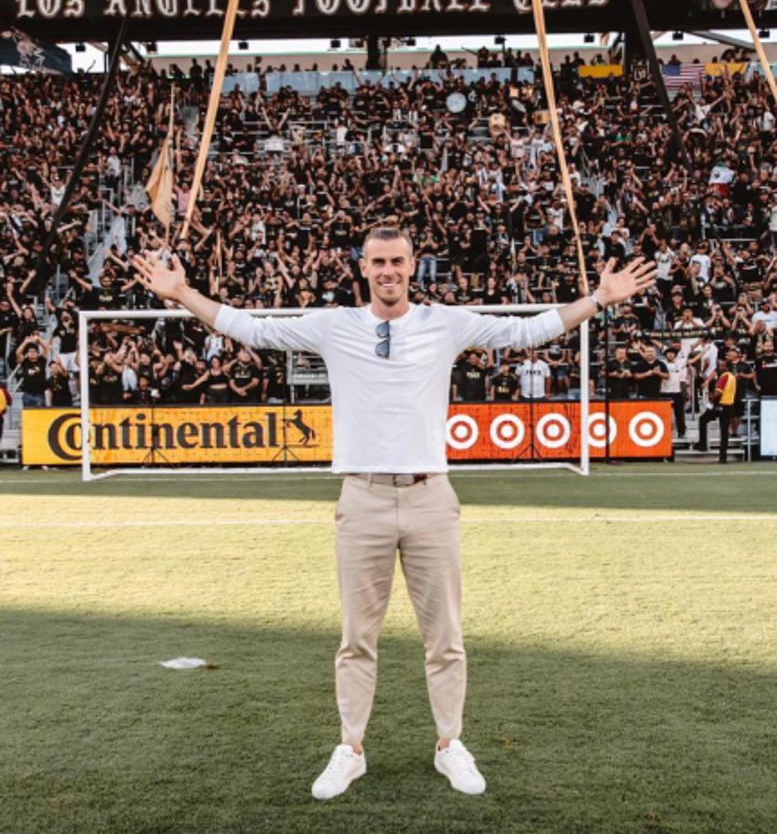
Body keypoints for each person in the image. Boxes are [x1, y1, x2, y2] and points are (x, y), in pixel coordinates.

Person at [133, 230, 656, 800]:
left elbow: (525, 330)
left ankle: (450, 744)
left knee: (446, 638)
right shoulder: (334, 326)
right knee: (357, 638)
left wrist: (600, 299)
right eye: (378, 261)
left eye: (398, 261)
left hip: (432, 496)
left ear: (412, 267)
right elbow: (252, 329)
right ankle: (350, 749)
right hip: (362, 498)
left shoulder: (445, 322)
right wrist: (183, 293)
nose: (388, 271)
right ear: (364, 267)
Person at [696, 358, 737, 463]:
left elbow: (719, 392)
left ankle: (703, 444)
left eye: (722, 366)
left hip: (720, 405)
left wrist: (712, 398)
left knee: (703, 419)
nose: (720, 368)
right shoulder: (732, 377)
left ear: (727, 367)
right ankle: (723, 458)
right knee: (724, 432)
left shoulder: (724, 377)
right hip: (729, 405)